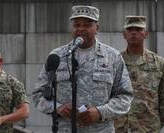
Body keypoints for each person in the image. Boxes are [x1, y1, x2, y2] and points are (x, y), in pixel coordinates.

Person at [32, 5, 133, 133]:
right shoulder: (57, 56)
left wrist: (100, 112)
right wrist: (57, 108)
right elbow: (38, 95)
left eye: (87, 25)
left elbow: (125, 97)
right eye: (76, 25)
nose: (81, 29)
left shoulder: (112, 57)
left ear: (97, 28)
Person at [115, 15, 164, 133]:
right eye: (130, 30)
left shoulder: (159, 63)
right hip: (120, 128)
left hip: (148, 128)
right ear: (124, 34)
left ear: (145, 34)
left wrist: (156, 122)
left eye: (138, 30)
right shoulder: (115, 61)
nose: (133, 33)